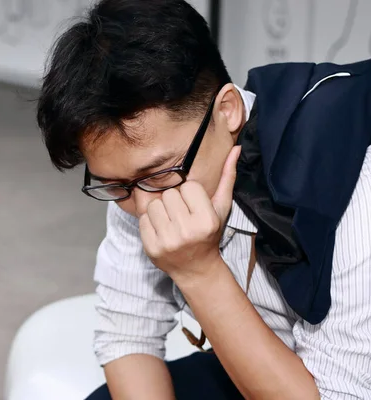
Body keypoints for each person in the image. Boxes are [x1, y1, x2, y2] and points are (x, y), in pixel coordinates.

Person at [36, 0, 371, 398]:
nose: (145, 209)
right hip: (258, 361)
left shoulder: (350, 175)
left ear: (227, 111)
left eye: (159, 174)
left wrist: (199, 271)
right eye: (114, 185)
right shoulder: (139, 179)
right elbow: (128, 334)